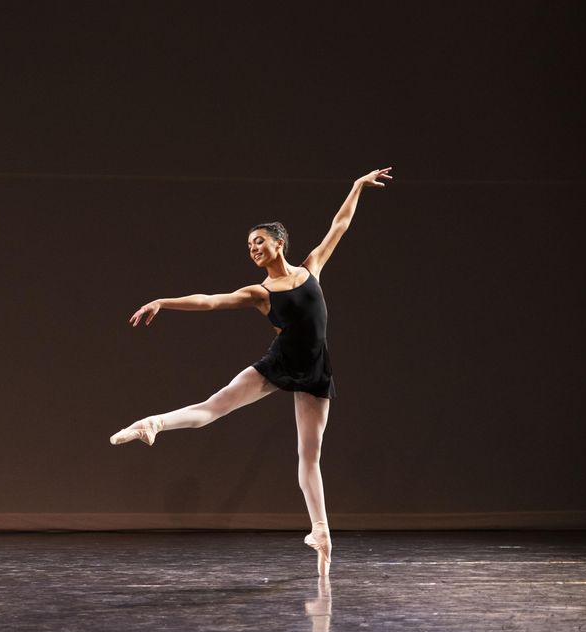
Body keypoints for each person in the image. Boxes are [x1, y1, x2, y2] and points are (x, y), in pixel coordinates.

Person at [109, 167, 393, 576]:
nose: (253, 248)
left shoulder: (312, 268)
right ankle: (151, 424)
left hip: (315, 372)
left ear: (279, 242)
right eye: (248, 245)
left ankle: (321, 533)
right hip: (278, 365)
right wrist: (164, 301)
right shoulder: (259, 294)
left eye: (258, 241)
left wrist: (355, 186)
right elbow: (209, 301)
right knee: (213, 408)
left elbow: (340, 226)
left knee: (309, 456)